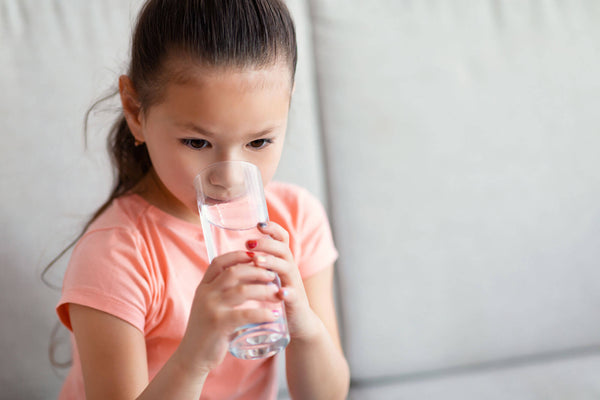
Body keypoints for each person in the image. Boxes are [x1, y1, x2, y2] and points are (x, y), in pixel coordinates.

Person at [53, 0, 350, 399]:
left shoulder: (295, 220)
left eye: (259, 141)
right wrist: (196, 355)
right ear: (135, 111)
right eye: (197, 142)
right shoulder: (116, 253)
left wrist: (303, 324)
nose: (228, 177)